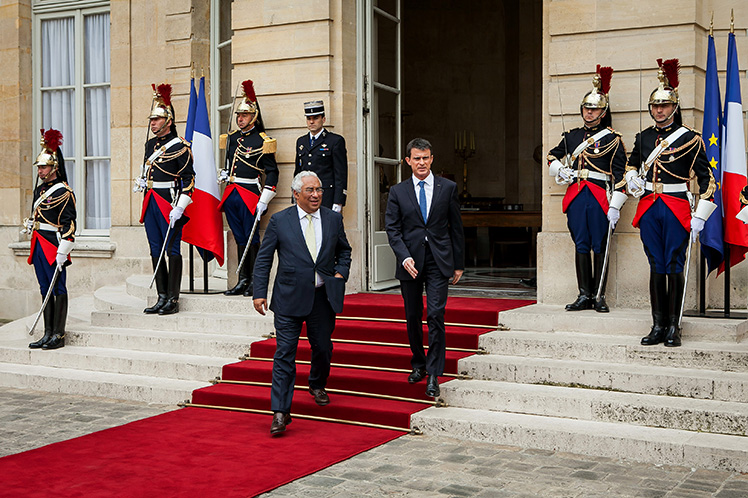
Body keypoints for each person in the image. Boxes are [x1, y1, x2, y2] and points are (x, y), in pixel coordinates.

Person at [253, 171, 352, 435]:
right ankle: (280, 412)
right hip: (288, 299)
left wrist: (341, 273)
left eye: (318, 189)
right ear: (296, 194)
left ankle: (317, 383)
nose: (316, 194)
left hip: (322, 297)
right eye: (309, 190)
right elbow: (264, 259)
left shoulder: (333, 219)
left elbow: (345, 250)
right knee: (285, 353)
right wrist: (259, 292)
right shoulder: (279, 221)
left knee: (323, 348)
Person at [626, 58, 716, 348]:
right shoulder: (643, 138)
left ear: (674, 108)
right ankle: (657, 324)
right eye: (655, 106)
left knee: (674, 265)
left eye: (664, 106)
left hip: (677, 205)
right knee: (656, 264)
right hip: (650, 206)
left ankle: (674, 327)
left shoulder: (690, 138)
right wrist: (632, 180)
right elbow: (630, 166)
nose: (659, 110)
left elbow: (707, 180)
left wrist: (701, 215)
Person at [384, 138, 465, 398]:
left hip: (439, 260)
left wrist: (458, 263)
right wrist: (403, 256)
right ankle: (418, 363)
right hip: (410, 262)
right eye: (416, 158)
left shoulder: (448, 187)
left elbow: (456, 227)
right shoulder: (398, 192)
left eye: (426, 158)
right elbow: (393, 229)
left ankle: (433, 373)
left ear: (432, 159)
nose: (422, 162)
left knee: (436, 316)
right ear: (408, 161)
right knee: (412, 317)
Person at [547, 65, 628, 313]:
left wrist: (616, 204)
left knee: (600, 245)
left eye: (594, 109)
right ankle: (584, 294)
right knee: (581, 244)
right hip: (576, 195)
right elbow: (552, 155)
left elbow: (620, 174)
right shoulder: (572, 136)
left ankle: (599, 296)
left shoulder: (613, 139)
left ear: (602, 113)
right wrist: (559, 169)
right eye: (586, 108)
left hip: (599, 196)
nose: (589, 113)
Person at [134, 83, 195, 316]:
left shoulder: (180, 147)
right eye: (151, 120)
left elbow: (189, 180)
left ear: (168, 121)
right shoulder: (150, 145)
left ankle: (173, 298)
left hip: (169, 203)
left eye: (157, 120)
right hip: (151, 200)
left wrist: (180, 207)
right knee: (155, 249)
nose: (152, 123)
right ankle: (161, 295)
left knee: (173, 250)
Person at [218, 80, 278, 296]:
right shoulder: (232, 138)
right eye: (238, 116)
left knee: (252, 239)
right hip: (231, 193)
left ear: (253, 117)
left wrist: (265, 197)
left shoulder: (263, 140)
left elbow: (273, 172)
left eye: (244, 115)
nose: (240, 119)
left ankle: (254, 281)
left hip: (250, 193)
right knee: (239, 237)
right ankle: (242, 279)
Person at [26, 129, 76, 350]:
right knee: (44, 287)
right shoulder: (39, 191)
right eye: (38, 167)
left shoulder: (64, 192)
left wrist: (63, 250)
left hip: (53, 245)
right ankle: (47, 332)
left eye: (43, 167)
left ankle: (59, 333)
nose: (40, 170)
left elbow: (70, 224)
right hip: (38, 243)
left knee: (58, 288)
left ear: (54, 168)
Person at [294, 100, 348, 212]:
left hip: (326, 196)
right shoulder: (301, 141)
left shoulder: (335, 141)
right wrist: (295, 196)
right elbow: (298, 172)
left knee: (326, 228)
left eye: (315, 118)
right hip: (305, 196)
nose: (312, 122)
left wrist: (338, 201)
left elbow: (340, 174)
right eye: (309, 119)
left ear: (323, 119)